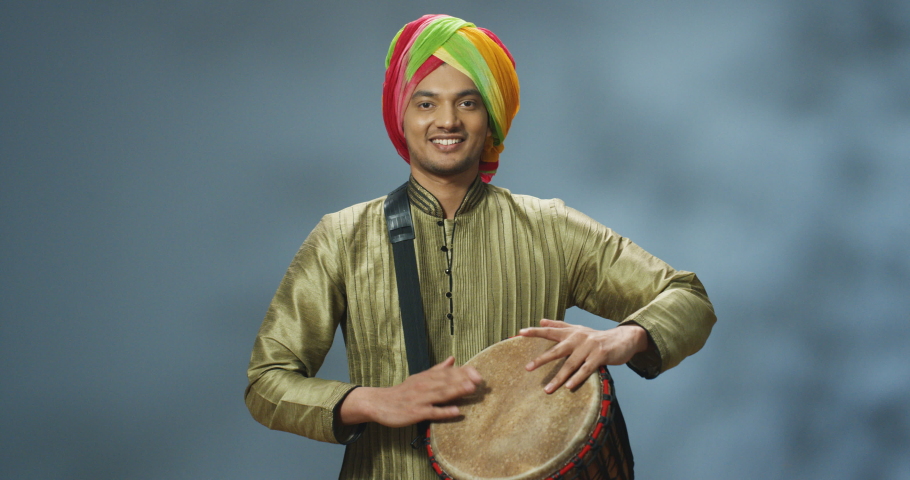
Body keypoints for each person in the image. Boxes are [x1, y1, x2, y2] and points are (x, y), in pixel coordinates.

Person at [245, 14, 716, 479]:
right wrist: (373, 400)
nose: (447, 120)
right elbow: (266, 382)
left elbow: (690, 298)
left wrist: (620, 339)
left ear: (490, 118)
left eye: (467, 103)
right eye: (426, 103)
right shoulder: (341, 237)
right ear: (400, 116)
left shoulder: (551, 228)